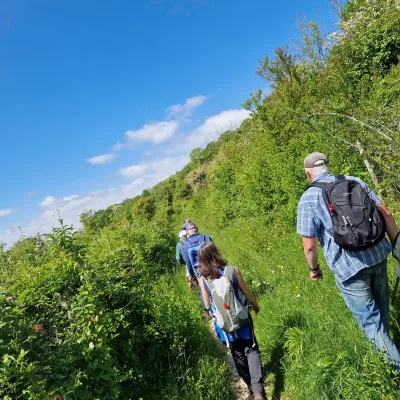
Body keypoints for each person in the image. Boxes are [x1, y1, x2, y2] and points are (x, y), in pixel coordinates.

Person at [297, 152, 400, 371]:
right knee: (382, 315)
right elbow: (386, 214)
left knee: (372, 325)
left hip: (349, 269)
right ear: (327, 166)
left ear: (308, 174)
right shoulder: (354, 181)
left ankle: (395, 369)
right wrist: (397, 248)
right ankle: (389, 353)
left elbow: (309, 245)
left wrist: (313, 269)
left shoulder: (307, 198)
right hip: (377, 256)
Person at [198, 242, 265, 400]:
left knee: (237, 353)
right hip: (242, 318)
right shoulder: (232, 270)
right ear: (216, 253)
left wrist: (209, 312)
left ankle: (249, 385)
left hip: (226, 326)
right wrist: (255, 305)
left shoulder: (203, 280)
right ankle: (257, 391)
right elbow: (246, 291)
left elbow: (207, 305)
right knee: (251, 349)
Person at [182, 223, 212, 317]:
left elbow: (188, 264)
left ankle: (207, 312)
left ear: (187, 233)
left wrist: (193, 277)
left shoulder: (185, 245)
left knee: (203, 291)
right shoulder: (206, 237)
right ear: (197, 229)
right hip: (213, 268)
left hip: (199, 273)